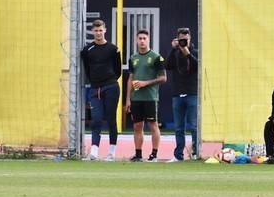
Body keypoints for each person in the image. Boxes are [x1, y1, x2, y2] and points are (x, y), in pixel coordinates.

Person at [80, 19, 122, 161]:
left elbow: (118, 71)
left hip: (111, 87)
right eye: (96, 30)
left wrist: (109, 80)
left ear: (105, 30)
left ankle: (111, 152)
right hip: (94, 88)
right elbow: (87, 68)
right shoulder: (87, 50)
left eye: (100, 30)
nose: (98, 33)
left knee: (111, 119)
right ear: (93, 31)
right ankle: (94, 152)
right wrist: (95, 82)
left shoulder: (113, 49)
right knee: (96, 119)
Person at [125, 30, 167, 162]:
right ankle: (138, 155)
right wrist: (127, 99)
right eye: (140, 38)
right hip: (136, 98)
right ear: (136, 41)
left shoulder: (156, 57)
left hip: (150, 98)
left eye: (144, 38)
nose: (142, 41)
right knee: (137, 126)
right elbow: (130, 79)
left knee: (153, 124)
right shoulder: (133, 58)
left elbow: (163, 78)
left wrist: (145, 83)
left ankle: (154, 154)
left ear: (148, 40)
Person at [165, 27, 199, 162]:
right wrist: (173, 49)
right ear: (177, 39)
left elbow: (198, 66)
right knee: (179, 127)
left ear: (190, 39)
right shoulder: (175, 52)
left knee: (193, 125)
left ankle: (196, 152)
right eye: (181, 40)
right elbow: (167, 66)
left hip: (192, 93)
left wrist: (188, 53)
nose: (184, 42)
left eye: (186, 39)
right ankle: (178, 155)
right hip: (177, 94)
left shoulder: (195, 51)